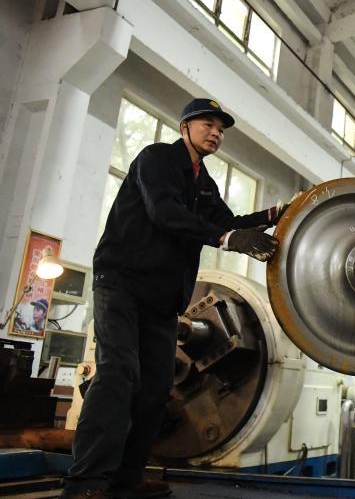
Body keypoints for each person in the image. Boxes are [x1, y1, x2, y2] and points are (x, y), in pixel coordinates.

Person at [62, 99, 291, 499]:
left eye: (221, 129)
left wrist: (276, 213)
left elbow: (227, 223)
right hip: (122, 283)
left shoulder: (204, 184)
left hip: (164, 299)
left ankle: (126, 481)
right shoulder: (156, 160)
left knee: (155, 389)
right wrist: (226, 238)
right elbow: (164, 213)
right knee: (118, 374)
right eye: (208, 124)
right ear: (184, 126)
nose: (216, 133)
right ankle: (85, 484)